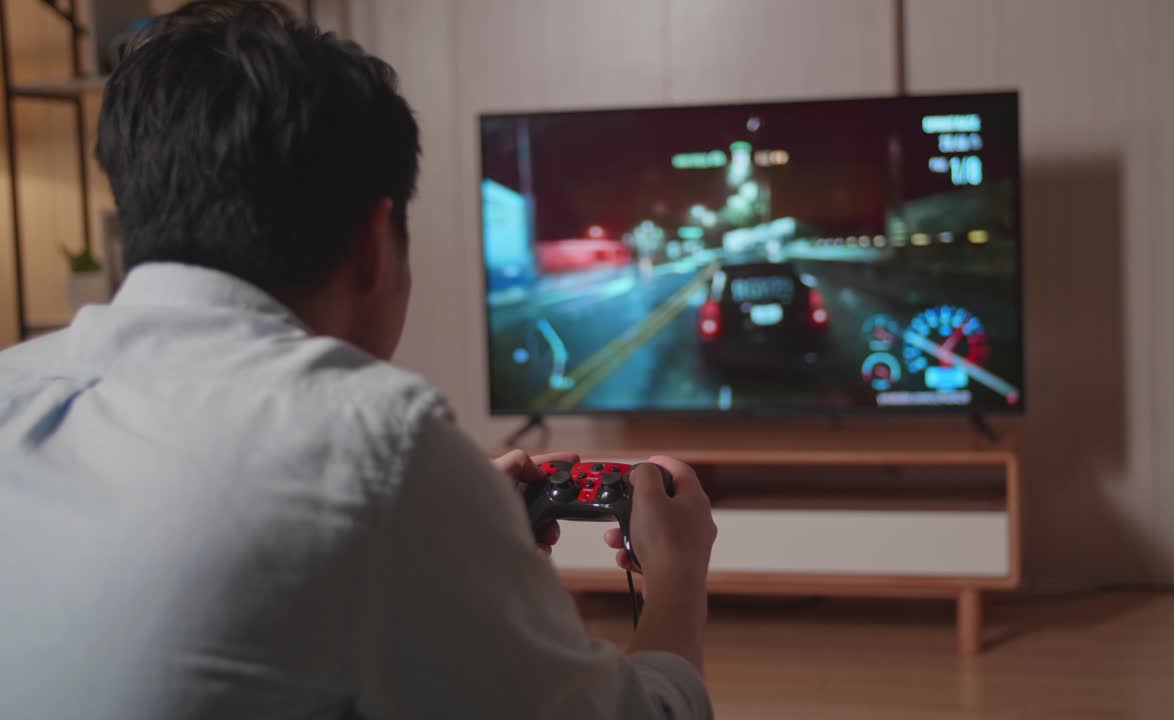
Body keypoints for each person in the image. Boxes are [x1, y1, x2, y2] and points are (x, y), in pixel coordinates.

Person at [0, 2, 717, 718]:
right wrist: (678, 579)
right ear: (375, 243)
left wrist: (454, 534)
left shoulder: (15, 389)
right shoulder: (378, 445)